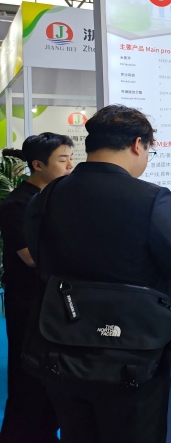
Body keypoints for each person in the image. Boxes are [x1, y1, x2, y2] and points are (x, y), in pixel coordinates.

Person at [25, 104, 171, 443]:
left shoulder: (48, 195)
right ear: (137, 144)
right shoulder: (151, 198)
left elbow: (39, 257)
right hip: (131, 355)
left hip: (61, 347)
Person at [0, 133, 74, 443]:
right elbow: (31, 258)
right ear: (38, 164)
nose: (70, 165)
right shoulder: (17, 203)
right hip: (28, 302)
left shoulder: (52, 197)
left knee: (50, 375)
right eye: (62, 159)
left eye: (71, 158)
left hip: (51, 300)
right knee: (28, 376)